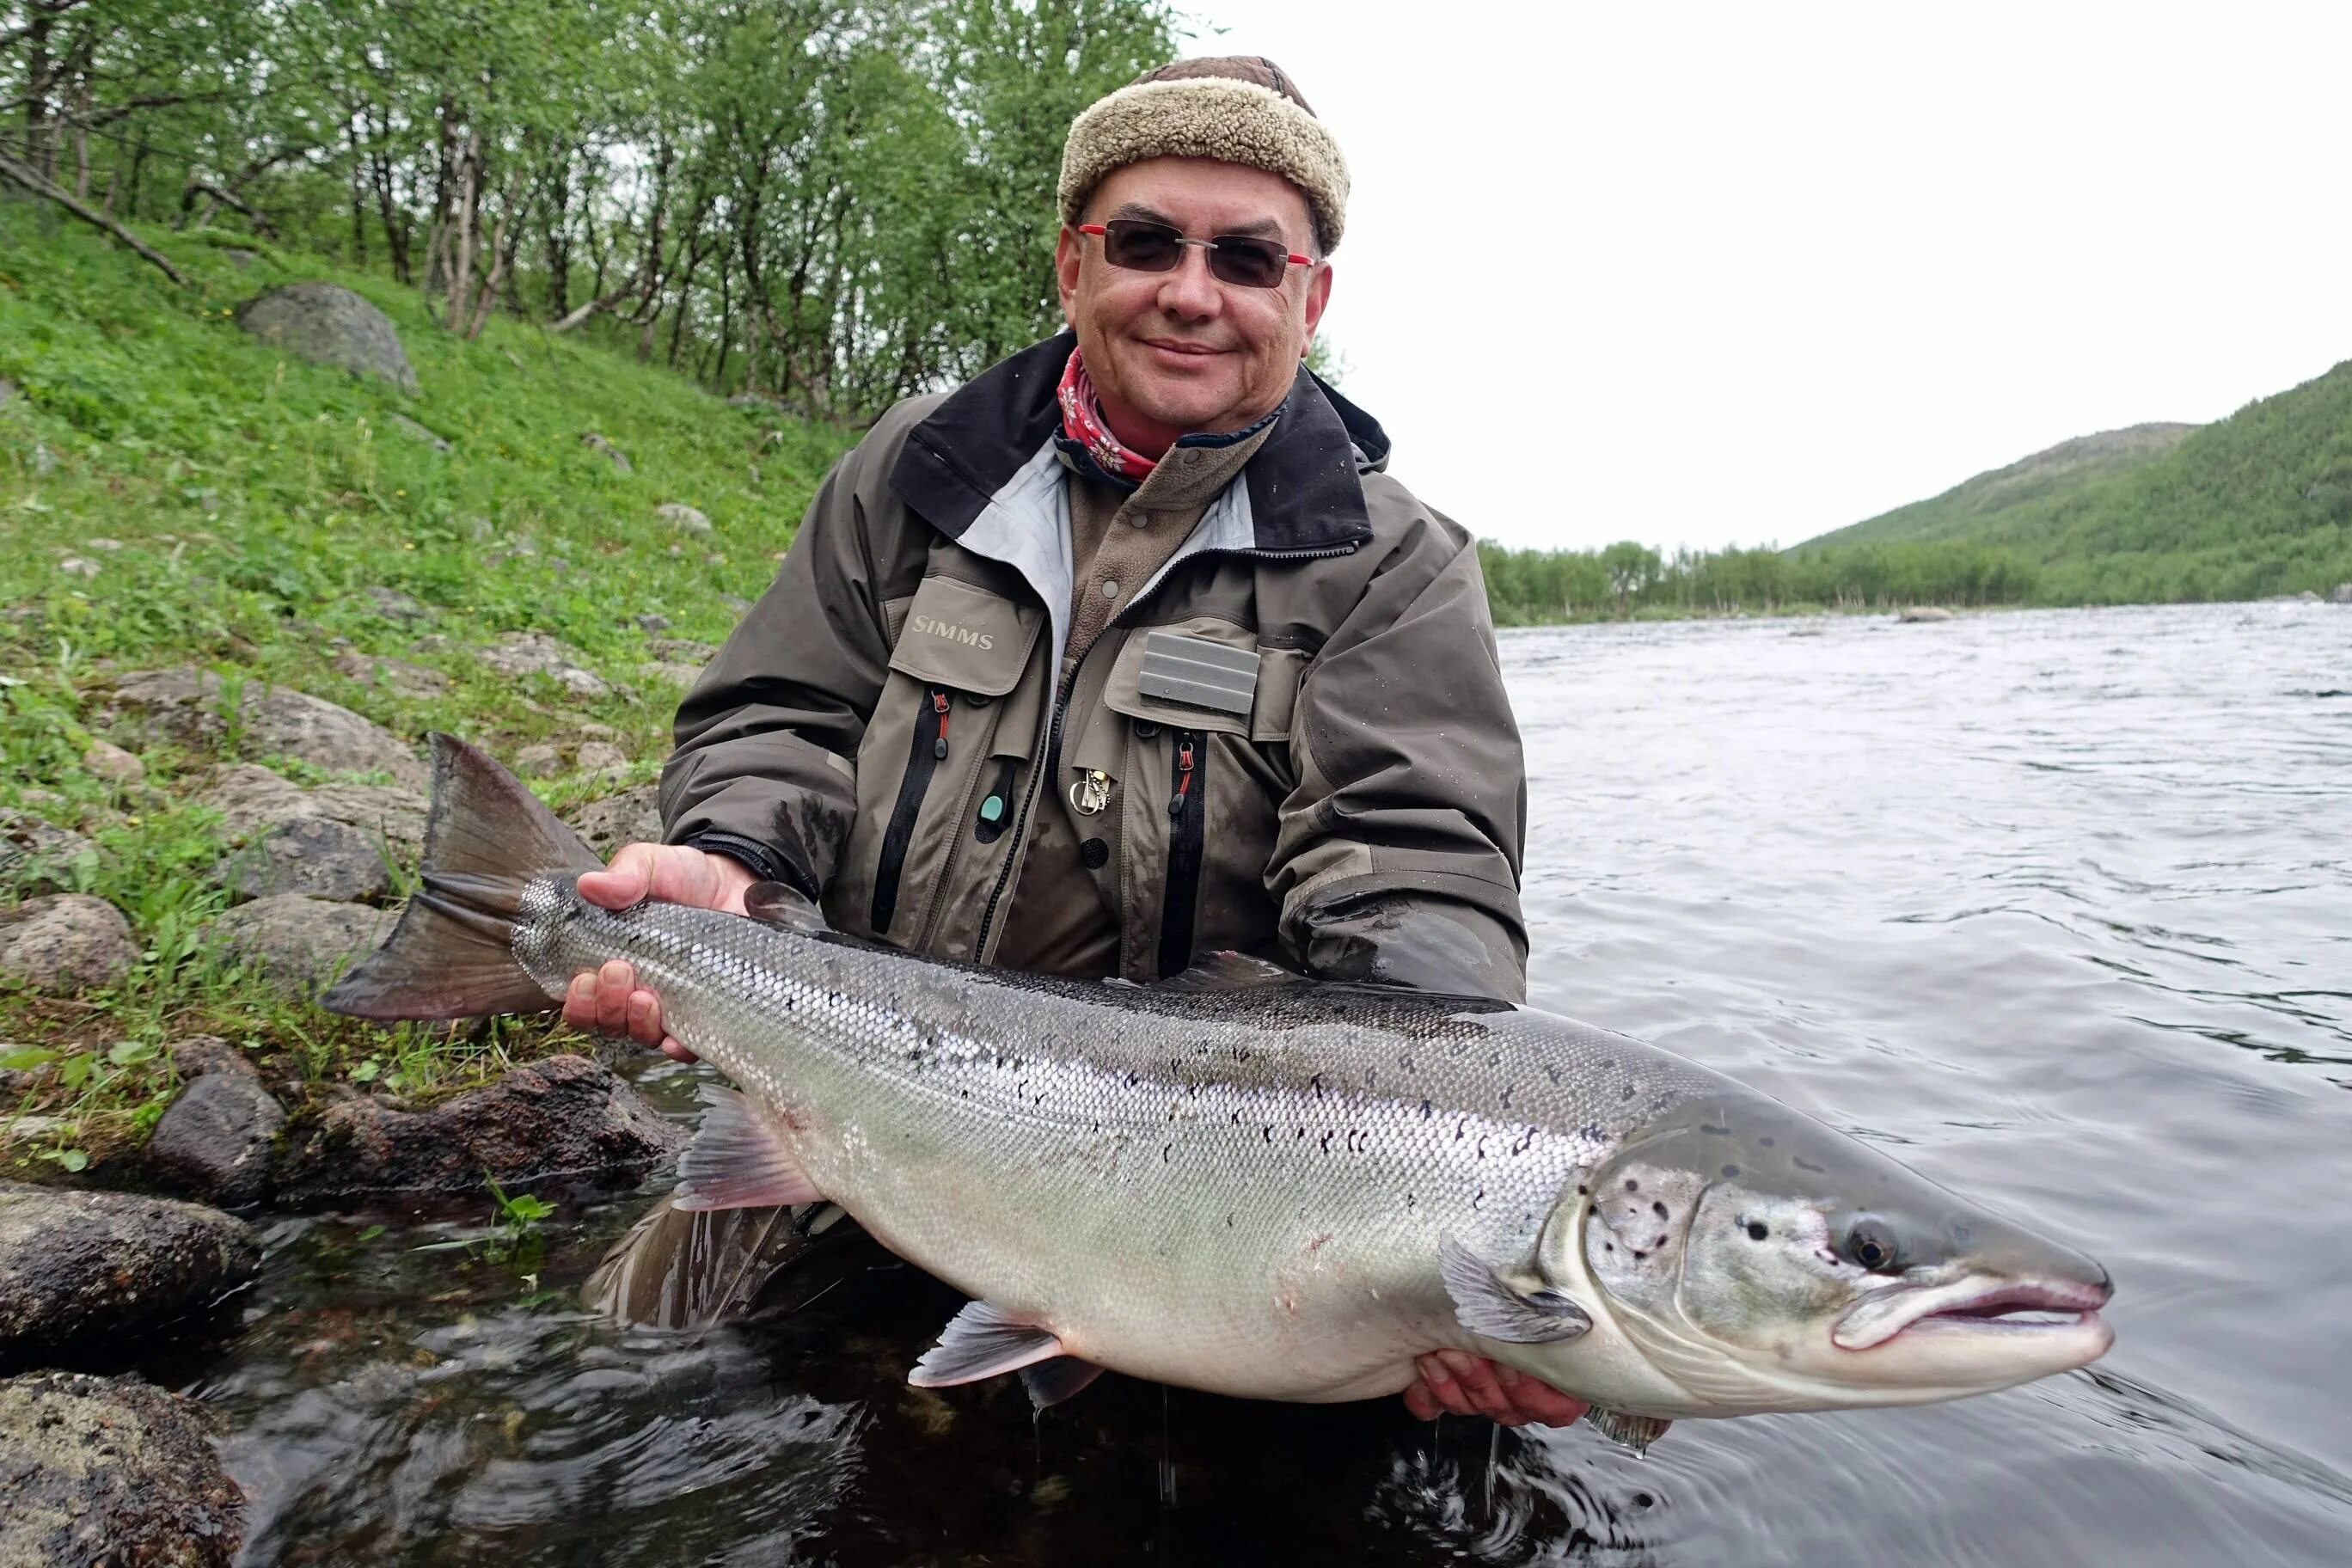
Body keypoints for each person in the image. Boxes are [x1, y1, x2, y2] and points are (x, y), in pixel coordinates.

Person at [563, 57, 1584, 1430]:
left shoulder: (1388, 565)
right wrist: (732, 865)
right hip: (851, 1086)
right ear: (1071, 266)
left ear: (1310, 297)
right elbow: (780, 714)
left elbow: (1414, 867)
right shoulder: (920, 469)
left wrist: (1434, 1201)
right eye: (1147, 242)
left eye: (1246, 256)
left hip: (1199, 1192)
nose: (1191, 289)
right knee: (633, 1391)